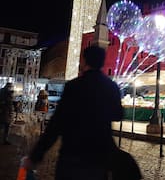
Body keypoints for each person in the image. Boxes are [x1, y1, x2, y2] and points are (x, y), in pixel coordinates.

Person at [23, 45, 126, 179]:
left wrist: (36, 156)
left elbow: (56, 123)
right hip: (98, 157)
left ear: (85, 61)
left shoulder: (74, 86)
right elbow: (118, 115)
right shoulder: (111, 87)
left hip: (72, 155)